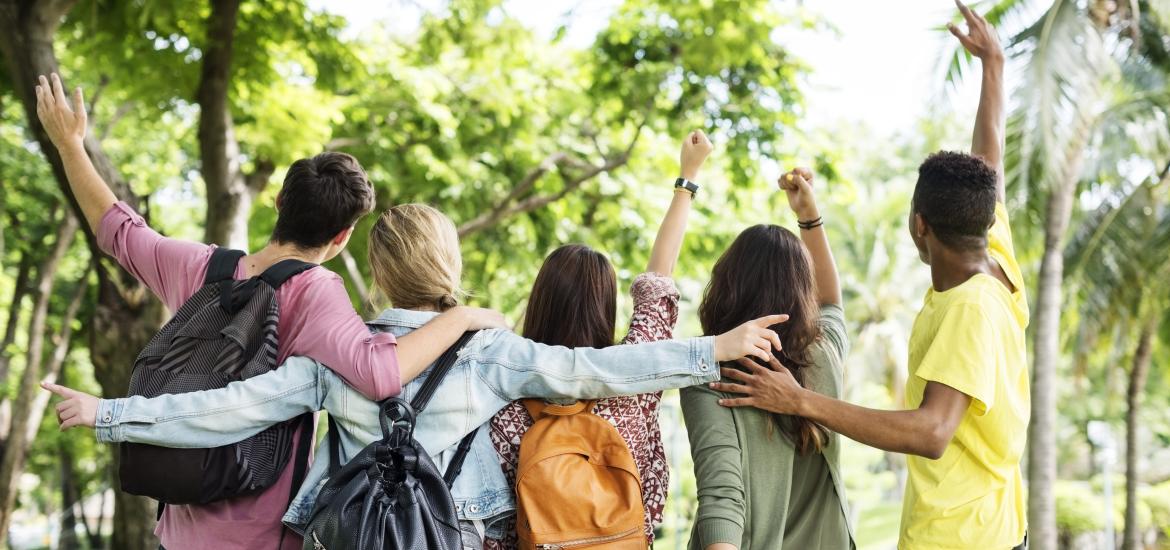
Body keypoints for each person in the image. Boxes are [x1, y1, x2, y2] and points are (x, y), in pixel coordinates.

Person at [44, 203, 787, 550]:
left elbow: (228, 409)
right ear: (449, 269)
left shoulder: (336, 356)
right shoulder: (490, 351)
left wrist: (107, 413)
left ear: (375, 275)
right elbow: (600, 369)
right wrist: (711, 349)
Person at [33, 73, 503, 550]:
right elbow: (380, 373)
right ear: (341, 238)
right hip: (258, 537)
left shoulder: (199, 267)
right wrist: (463, 317)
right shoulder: (316, 291)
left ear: (279, 203)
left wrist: (70, 144)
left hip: (176, 533)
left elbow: (117, 228)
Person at [709, 3, 1030, 549]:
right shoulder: (992, 252)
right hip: (997, 526)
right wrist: (993, 67)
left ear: (918, 225)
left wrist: (800, 400)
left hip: (957, 539)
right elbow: (988, 163)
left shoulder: (968, 310)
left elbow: (931, 432)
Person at [485, 130, 712, 549]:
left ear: (540, 301)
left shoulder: (500, 392)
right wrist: (687, 177)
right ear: (604, 307)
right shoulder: (634, 379)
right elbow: (658, 282)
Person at [682, 166, 853, 550]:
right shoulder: (824, 354)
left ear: (726, 286)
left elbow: (721, 500)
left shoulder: (711, 376)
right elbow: (831, 302)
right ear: (800, 292)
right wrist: (810, 217)